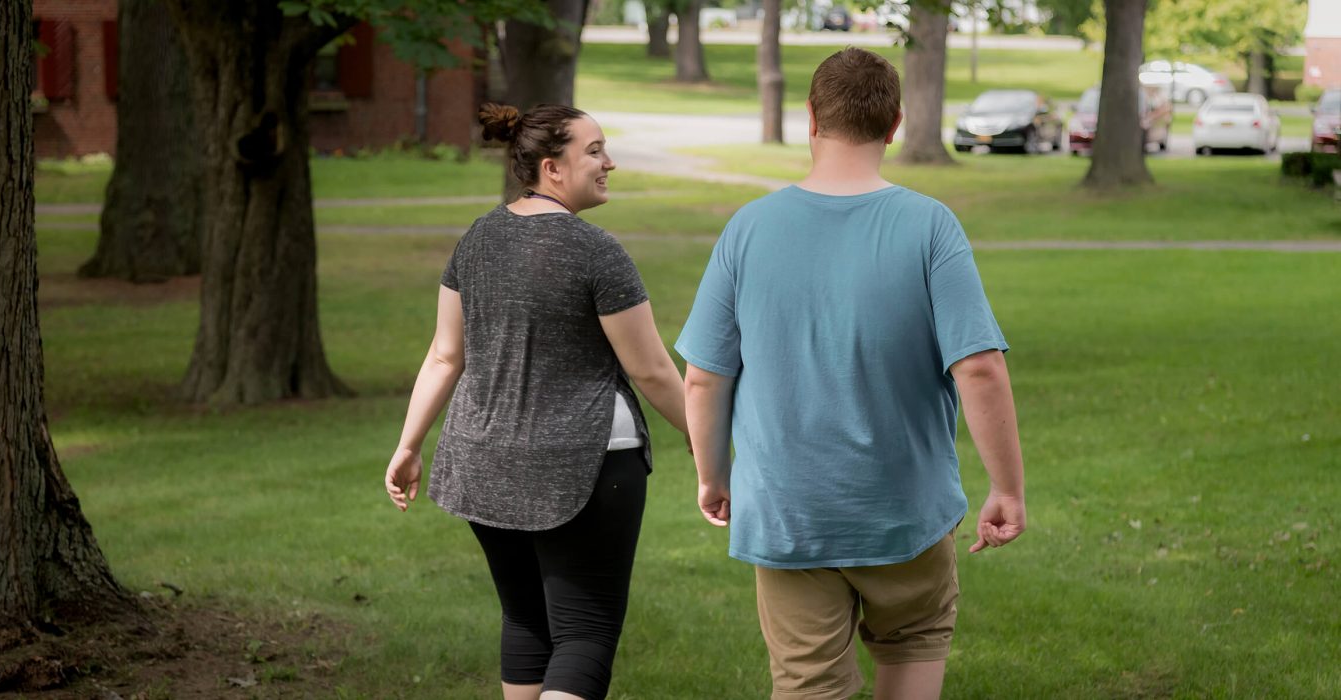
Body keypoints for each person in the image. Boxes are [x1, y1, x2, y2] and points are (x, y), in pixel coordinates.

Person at [676, 48, 1027, 700]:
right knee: (913, 657)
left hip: (788, 512)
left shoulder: (749, 229)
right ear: (895, 123)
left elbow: (704, 376)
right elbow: (978, 367)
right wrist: (1006, 487)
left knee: (808, 686)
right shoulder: (929, 226)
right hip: (907, 513)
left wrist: (713, 475)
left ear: (810, 117)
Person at [383, 102, 688, 700]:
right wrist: (710, 445)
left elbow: (446, 354)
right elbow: (651, 370)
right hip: (585, 461)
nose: (610, 163)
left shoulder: (477, 237)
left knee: (526, 619)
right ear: (552, 168)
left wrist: (409, 444)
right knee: (585, 633)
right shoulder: (596, 251)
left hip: (482, 459)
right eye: (595, 151)